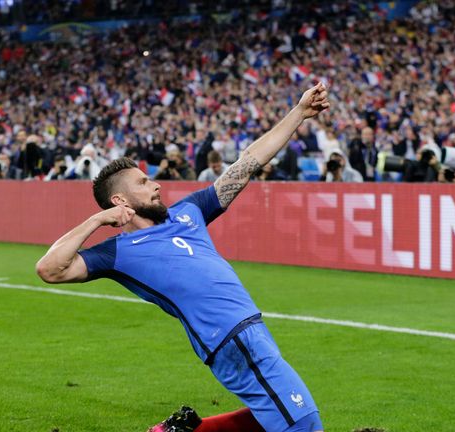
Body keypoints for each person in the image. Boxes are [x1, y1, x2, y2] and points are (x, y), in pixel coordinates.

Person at [35, 83, 331, 432]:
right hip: (230, 337)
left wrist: (298, 113)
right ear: (121, 201)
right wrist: (96, 221)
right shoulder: (116, 252)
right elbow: (50, 269)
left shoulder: (188, 212)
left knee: (272, 418)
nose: (156, 185)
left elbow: (247, 163)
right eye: (144, 183)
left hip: (250, 328)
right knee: (303, 422)